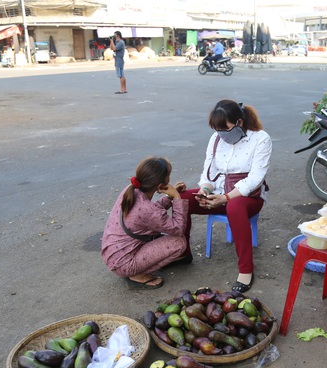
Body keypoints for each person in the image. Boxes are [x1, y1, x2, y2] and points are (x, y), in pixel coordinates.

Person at [179, 99, 271, 293]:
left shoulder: (261, 139)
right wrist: (205, 191)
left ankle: (246, 270)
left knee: (234, 206)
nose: (221, 134)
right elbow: (208, 173)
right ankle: (181, 252)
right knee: (184, 199)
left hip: (248, 198)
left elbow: (255, 178)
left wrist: (226, 197)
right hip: (219, 194)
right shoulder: (216, 139)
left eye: (225, 129)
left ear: (239, 122)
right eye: (217, 130)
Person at [101, 157, 190, 290]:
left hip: (113, 254)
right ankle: (137, 274)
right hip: (124, 263)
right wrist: (177, 198)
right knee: (179, 243)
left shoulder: (130, 190)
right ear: (160, 186)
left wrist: (168, 198)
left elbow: (150, 213)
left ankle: (139, 266)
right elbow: (178, 229)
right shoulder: (148, 209)